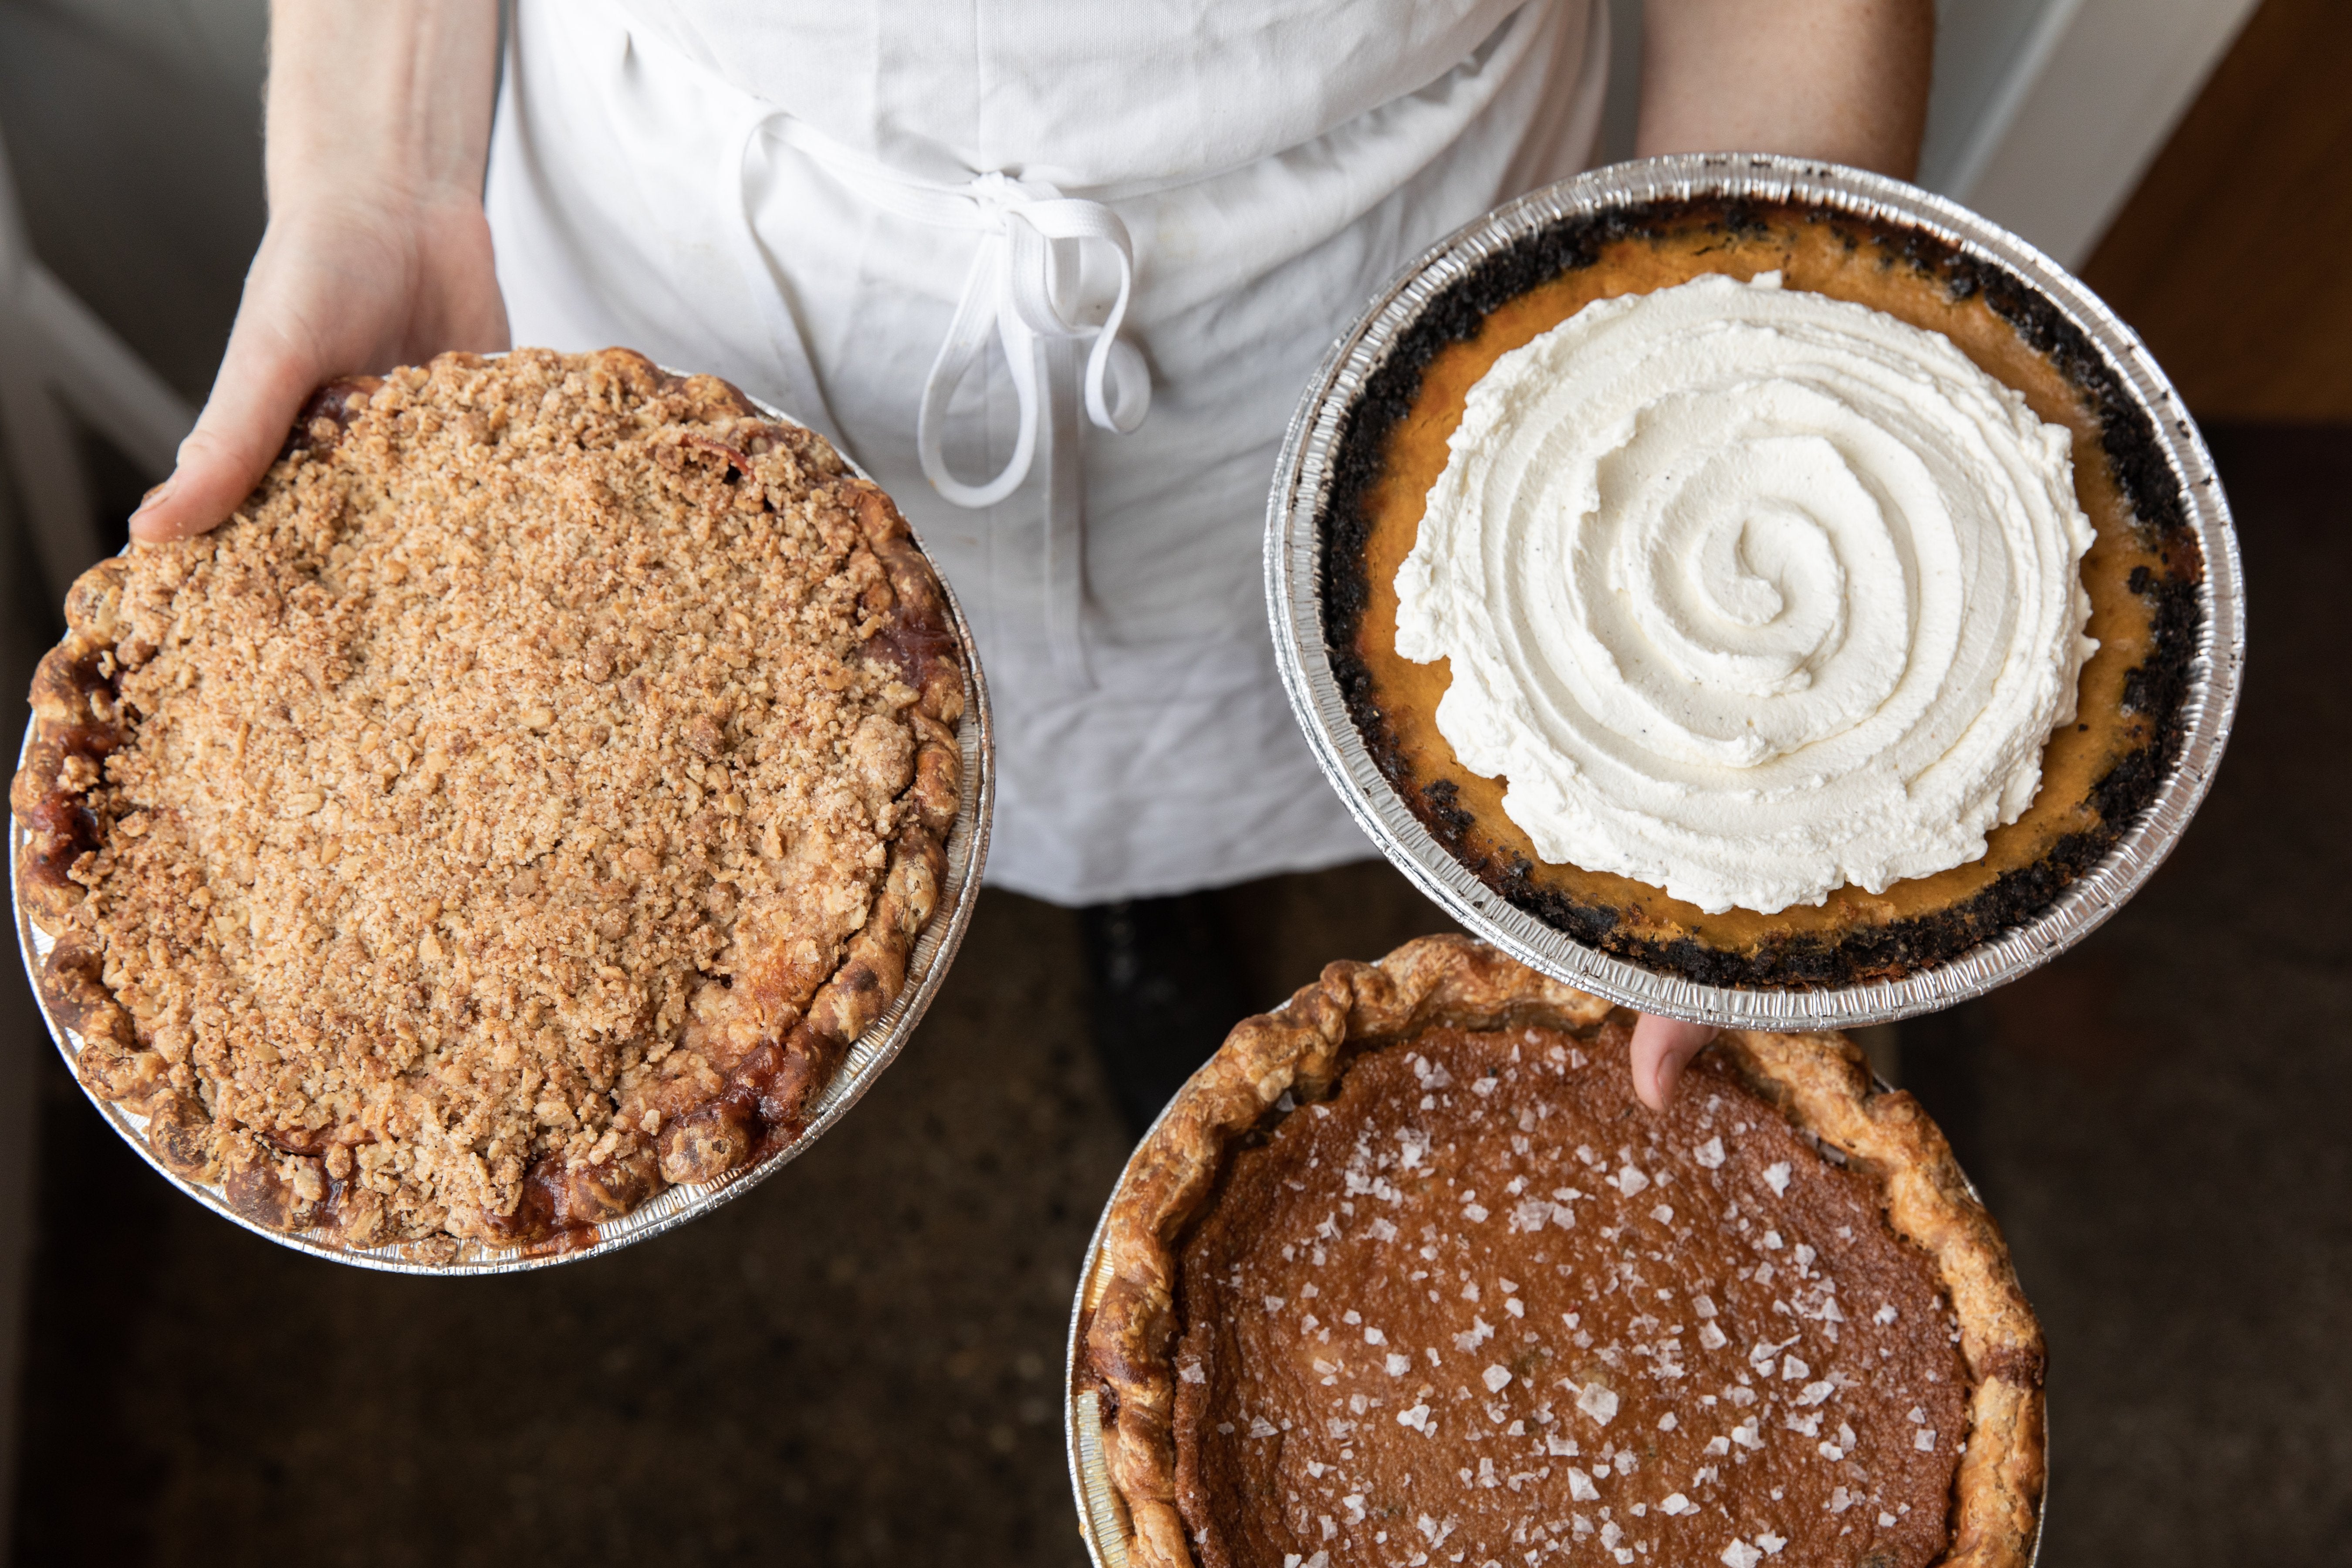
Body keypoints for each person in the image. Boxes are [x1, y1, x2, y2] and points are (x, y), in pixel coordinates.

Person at [126, 0, 1933, 1121]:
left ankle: (1153, 905)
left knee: (1286, 723)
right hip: (718, 226)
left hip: (1358, 258)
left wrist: (1727, 485)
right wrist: (376, 180)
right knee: (698, 772)